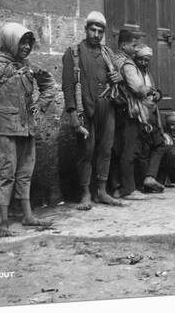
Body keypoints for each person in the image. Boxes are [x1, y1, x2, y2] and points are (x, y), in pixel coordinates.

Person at [0, 22, 56, 237]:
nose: (26, 47)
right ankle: (3, 222)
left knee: (25, 173)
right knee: (7, 175)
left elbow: (49, 84)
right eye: (21, 42)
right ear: (10, 42)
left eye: (28, 42)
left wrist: (40, 105)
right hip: (4, 131)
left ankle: (27, 216)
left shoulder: (27, 66)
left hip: (27, 129)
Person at [61, 11, 124, 210]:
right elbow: (68, 85)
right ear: (86, 30)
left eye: (100, 31)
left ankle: (102, 192)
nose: (96, 34)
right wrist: (72, 113)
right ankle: (86, 193)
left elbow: (117, 80)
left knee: (106, 149)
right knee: (86, 152)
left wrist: (118, 79)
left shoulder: (108, 54)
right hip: (85, 108)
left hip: (107, 107)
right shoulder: (74, 52)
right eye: (93, 30)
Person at [109, 30, 153, 199]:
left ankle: (117, 188)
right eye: (133, 45)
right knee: (129, 150)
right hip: (129, 111)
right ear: (123, 45)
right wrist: (148, 89)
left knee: (118, 149)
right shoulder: (127, 64)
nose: (136, 49)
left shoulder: (115, 59)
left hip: (117, 109)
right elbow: (138, 88)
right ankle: (129, 189)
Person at [131, 44, 165, 193]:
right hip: (139, 115)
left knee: (159, 144)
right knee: (143, 151)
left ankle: (149, 177)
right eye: (141, 60)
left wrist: (158, 94)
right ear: (136, 59)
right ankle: (144, 182)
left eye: (146, 60)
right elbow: (137, 92)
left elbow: (154, 90)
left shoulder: (148, 74)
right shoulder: (133, 74)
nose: (144, 63)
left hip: (151, 114)